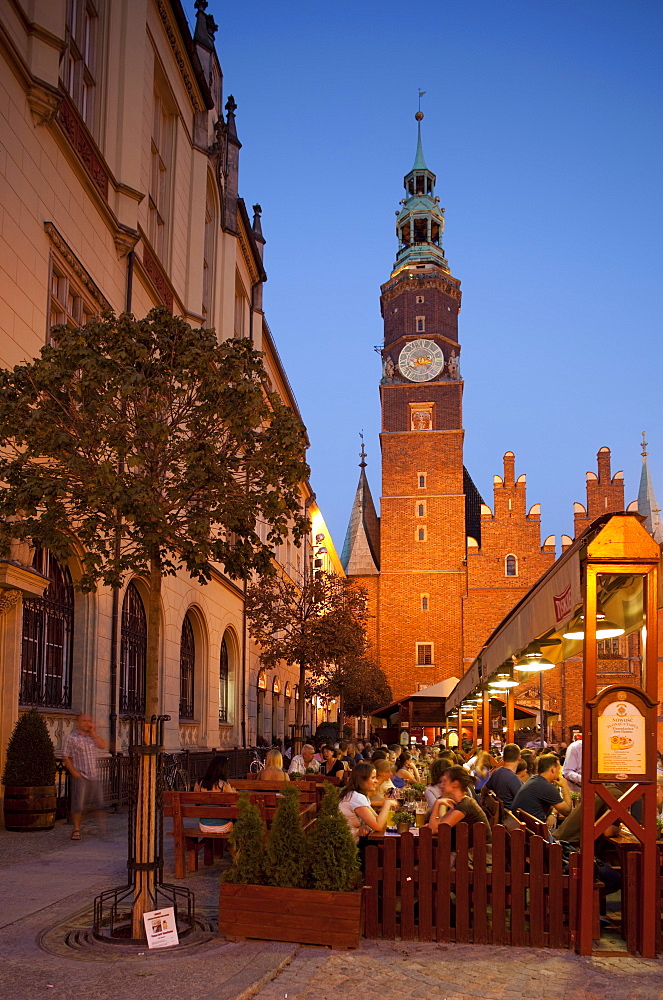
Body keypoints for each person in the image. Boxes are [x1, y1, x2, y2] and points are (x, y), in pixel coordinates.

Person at [62, 714, 106, 841]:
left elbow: (102, 745)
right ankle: (76, 829)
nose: (87, 723)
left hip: (93, 775)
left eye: (89, 721)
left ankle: (101, 829)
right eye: (84, 721)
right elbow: (66, 756)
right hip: (80, 775)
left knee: (98, 803)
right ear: (78, 723)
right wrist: (73, 772)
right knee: (78, 805)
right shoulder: (71, 738)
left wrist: (93, 732)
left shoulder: (92, 737)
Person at [427, 766, 492, 845]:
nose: (441, 785)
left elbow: (434, 830)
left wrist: (437, 804)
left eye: (444, 781)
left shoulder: (464, 805)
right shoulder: (458, 803)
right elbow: (439, 824)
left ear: (455, 784)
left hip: (476, 854)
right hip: (467, 851)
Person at [338, 761, 398, 844]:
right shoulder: (356, 797)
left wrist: (366, 826)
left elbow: (377, 818)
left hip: (351, 841)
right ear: (362, 780)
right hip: (347, 846)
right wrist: (387, 804)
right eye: (373, 778)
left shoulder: (356, 794)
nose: (376, 781)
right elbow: (378, 826)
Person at [511, 753, 572, 824]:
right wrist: (565, 786)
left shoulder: (534, 780)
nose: (559, 772)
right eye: (558, 769)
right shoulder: (546, 786)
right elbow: (567, 811)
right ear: (553, 770)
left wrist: (552, 814)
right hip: (535, 832)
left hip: (523, 827)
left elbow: (551, 804)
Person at [195, 755, 236, 833]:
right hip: (222, 826)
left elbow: (197, 804)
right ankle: (231, 845)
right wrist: (233, 791)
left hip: (203, 826)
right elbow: (233, 806)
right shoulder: (224, 785)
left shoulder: (199, 784)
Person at [483, 743, 522, 810]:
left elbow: (484, 789)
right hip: (511, 816)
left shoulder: (497, 772)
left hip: (501, 812)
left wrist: (483, 800)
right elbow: (523, 801)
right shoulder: (513, 779)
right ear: (519, 757)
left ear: (503, 758)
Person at [562, 725, 583, 794]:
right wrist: (584, 779)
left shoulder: (605, 747)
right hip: (578, 790)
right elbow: (567, 771)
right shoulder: (576, 747)